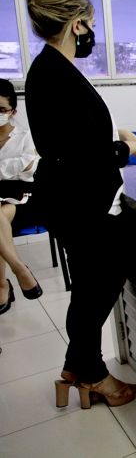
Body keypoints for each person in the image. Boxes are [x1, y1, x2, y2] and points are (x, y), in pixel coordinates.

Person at [25, 0, 136, 408]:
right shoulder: (55, 72)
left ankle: (73, 368)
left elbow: (75, 136)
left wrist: (113, 135)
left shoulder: (50, 69)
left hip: (73, 197)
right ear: (77, 24)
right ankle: (92, 373)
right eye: (91, 27)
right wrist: (126, 148)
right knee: (97, 287)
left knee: (90, 287)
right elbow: (79, 154)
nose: (91, 35)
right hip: (78, 201)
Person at [0, 79, 42, 315]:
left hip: (22, 199)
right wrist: (12, 165)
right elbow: (19, 163)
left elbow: (28, 167)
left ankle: (2, 284)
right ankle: (19, 269)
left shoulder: (26, 136)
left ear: (13, 111)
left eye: (2, 110)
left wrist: (8, 167)